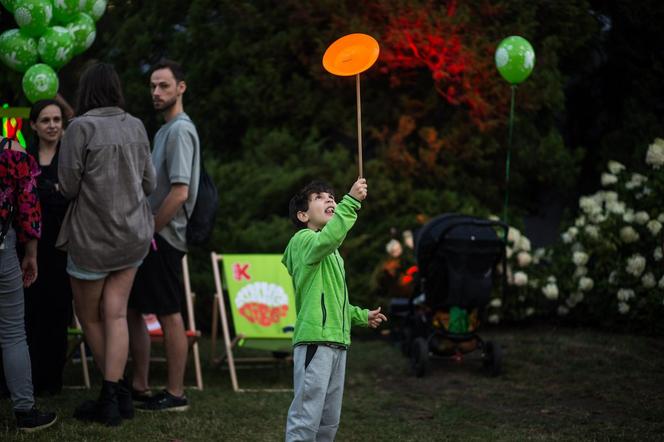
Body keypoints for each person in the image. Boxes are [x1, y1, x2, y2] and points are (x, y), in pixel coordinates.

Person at [57, 62, 156, 426]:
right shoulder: (137, 126)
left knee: (89, 316)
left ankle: (112, 395)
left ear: (86, 91)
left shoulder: (79, 128)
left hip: (93, 237)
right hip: (132, 236)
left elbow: (67, 187)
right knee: (116, 314)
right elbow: (149, 183)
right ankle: (117, 397)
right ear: (116, 89)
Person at [283, 178, 387, 441]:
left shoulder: (332, 253)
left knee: (329, 421)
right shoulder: (303, 241)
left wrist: (361, 315)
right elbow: (328, 239)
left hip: (337, 344)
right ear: (303, 215)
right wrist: (350, 201)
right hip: (315, 342)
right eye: (319, 197)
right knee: (306, 417)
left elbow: (335, 301)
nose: (330, 199)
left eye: (332, 196)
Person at [127, 59, 200, 412]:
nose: (156, 92)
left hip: (165, 237)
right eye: (153, 86)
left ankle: (175, 393)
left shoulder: (181, 130)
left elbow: (180, 192)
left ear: (181, 88)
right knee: (134, 308)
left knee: (170, 313)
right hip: (152, 237)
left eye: (164, 86)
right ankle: (139, 386)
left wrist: (150, 230)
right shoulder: (164, 130)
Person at [0, 136, 57, 432]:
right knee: (11, 332)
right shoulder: (11, 153)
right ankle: (25, 412)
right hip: (2, 252)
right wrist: (31, 254)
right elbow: (29, 209)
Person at [23, 99, 72, 396]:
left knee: (58, 312)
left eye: (57, 119)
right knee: (29, 313)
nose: (53, 125)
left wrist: (48, 192)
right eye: (46, 120)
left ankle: (53, 380)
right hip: (29, 248)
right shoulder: (25, 158)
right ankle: (26, 378)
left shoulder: (70, 157)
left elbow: (69, 196)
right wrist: (52, 191)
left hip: (63, 246)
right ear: (33, 125)